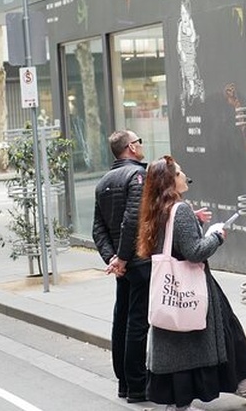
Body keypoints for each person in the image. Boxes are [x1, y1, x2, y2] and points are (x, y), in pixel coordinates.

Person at [135, 155, 246, 410]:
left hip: (168, 289)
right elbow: (194, 252)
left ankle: (182, 399)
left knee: (183, 342)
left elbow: (170, 241)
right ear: (170, 182)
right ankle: (243, 379)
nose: (184, 176)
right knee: (226, 326)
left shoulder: (156, 210)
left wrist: (194, 222)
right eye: (179, 173)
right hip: (190, 285)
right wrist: (217, 236)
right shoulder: (180, 209)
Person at [92, 130, 150, 402]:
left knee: (122, 320)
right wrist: (123, 258)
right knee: (137, 323)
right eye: (139, 142)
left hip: (124, 266)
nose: (141, 146)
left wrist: (113, 260)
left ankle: (124, 384)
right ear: (130, 147)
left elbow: (98, 230)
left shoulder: (103, 181)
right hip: (138, 262)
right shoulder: (138, 175)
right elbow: (133, 220)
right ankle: (138, 385)